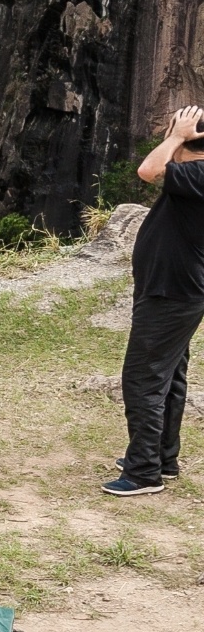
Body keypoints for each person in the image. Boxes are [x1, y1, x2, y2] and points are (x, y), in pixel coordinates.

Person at [108, 103, 204, 496]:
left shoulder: (197, 173)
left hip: (171, 292)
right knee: (169, 376)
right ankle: (161, 456)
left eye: (175, 127)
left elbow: (148, 170)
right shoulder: (192, 176)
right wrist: (179, 137)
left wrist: (179, 136)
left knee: (143, 379)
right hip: (174, 289)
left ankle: (143, 472)